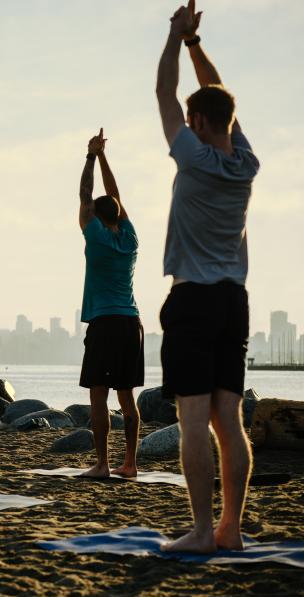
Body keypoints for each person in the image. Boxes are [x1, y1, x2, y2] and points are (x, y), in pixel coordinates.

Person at [155, 0, 260, 553]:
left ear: (197, 125)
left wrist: (175, 37)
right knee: (229, 418)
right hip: (233, 303)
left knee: (194, 419)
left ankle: (200, 530)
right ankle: (231, 529)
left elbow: (165, 96)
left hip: (193, 299)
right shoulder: (245, 163)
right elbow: (219, 99)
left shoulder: (193, 159)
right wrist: (198, 46)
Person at [78, 128, 143, 479]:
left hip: (104, 323)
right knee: (127, 397)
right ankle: (130, 464)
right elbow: (113, 194)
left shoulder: (96, 234)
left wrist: (90, 155)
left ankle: (103, 464)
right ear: (119, 214)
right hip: (132, 324)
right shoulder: (130, 237)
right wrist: (104, 156)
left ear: (97, 216)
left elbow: (86, 194)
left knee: (99, 396)